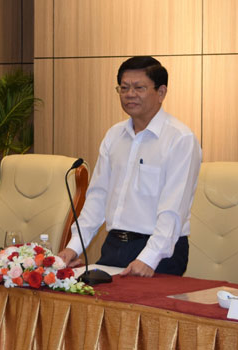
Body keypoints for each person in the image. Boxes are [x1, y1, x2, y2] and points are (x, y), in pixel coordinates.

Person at [58, 56, 202, 277]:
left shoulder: (180, 139)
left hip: (160, 253)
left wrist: (149, 258)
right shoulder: (114, 135)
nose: (130, 94)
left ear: (161, 92)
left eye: (139, 88)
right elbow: (98, 197)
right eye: (124, 88)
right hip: (114, 245)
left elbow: (174, 209)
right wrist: (73, 246)